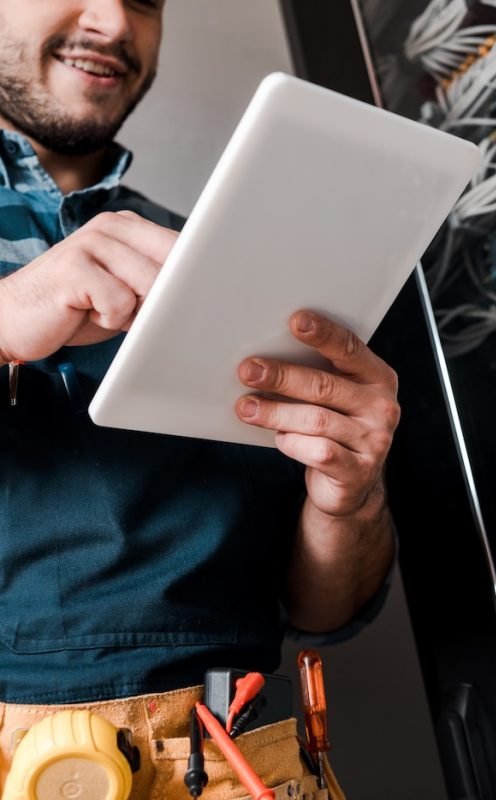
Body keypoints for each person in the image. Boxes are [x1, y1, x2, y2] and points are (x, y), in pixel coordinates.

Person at [0, 1, 400, 797]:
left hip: (244, 758)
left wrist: (349, 500)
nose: (115, 21)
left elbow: (322, 610)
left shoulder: (212, 259)